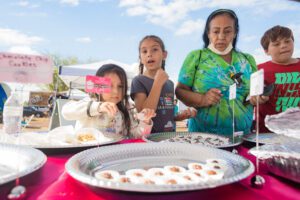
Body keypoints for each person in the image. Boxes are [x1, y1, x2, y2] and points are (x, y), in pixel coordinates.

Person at [175, 9, 257, 137]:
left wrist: (258, 98)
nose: (221, 37)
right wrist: (202, 99)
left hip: (243, 137)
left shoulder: (247, 60)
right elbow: (180, 91)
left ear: (235, 33)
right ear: (208, 33)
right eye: (216, 31)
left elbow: (252, 95)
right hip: (203, 139)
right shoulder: (197, 57)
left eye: (227, 31)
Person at [62, 64, 156, 139]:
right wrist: (98, 107)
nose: (115, 91)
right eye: (109, 85)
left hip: (113, 158)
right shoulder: (90, 103)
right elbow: (66, 111)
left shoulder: (126, 110)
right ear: (98, 86)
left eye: (120, 86)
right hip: (87, 157)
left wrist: (145, 122)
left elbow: (136, 136)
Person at [130, 35, 196, 133]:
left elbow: (166, 114)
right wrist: (157, 83)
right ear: (140, 58)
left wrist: (179, 117)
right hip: (149, 140)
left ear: (164, 55)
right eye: (144, 51)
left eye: (154, 49)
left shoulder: (170, 83)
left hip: (169, 137)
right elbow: (143, 115)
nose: (149, 54)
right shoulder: (138, 81)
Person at [250, 25, 300, 133]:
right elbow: (250, 98)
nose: (283, 46)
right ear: (266, 51)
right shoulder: (258, 70)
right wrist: (256, 98)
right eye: (276, 44)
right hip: (268, 134)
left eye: (287, 41)